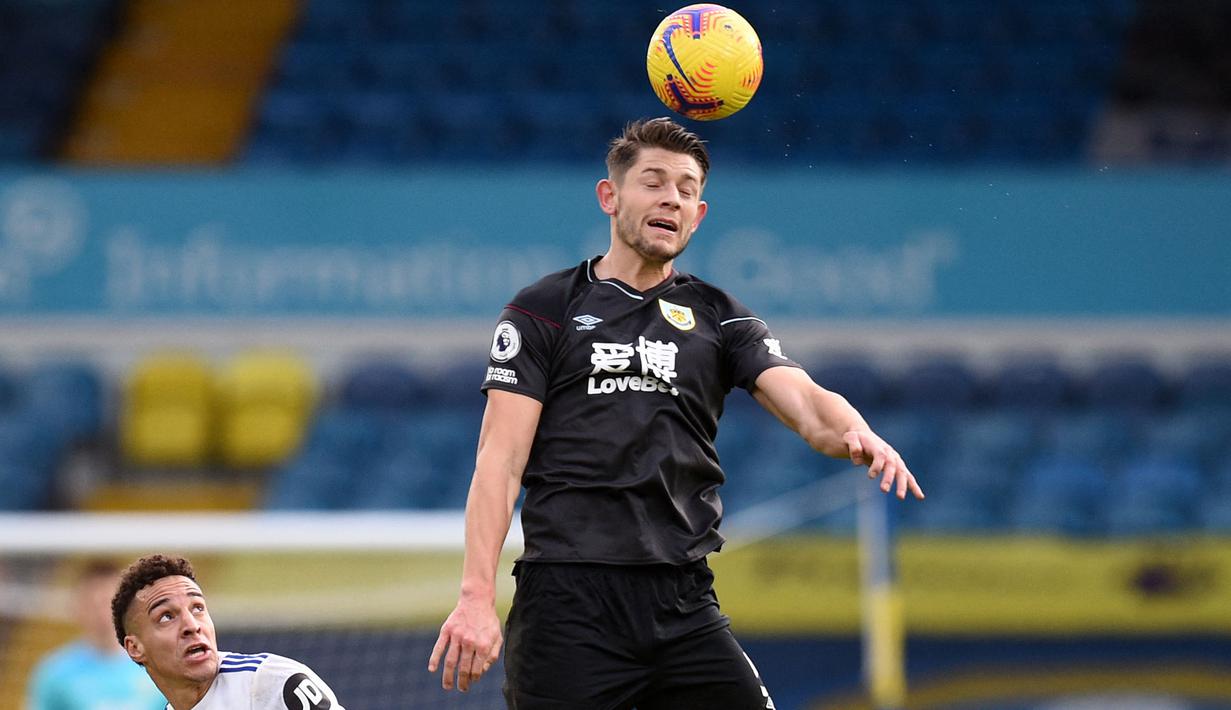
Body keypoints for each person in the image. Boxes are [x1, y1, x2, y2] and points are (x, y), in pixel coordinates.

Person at [428, 117, 925, 709]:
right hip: (569, 603)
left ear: (700, 214)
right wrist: (476, 595)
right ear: (609, 197)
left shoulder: (720, 316)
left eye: (687, 190)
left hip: (683, 600)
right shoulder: (543, 310)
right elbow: (500, 460)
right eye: (654, 182)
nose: (672, 198)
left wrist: (857, 431)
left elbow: (806, 401)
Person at [110, 554, 345, 710]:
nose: (192, 625)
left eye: (198, 608)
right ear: (135, 648)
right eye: (167, 617)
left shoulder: (274, 683)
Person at [26, 560, 166, 710]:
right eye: (92, 603)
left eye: (107, 602)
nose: (101, 612)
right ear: (78, 608)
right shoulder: (55, 672)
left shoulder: (158, 665)